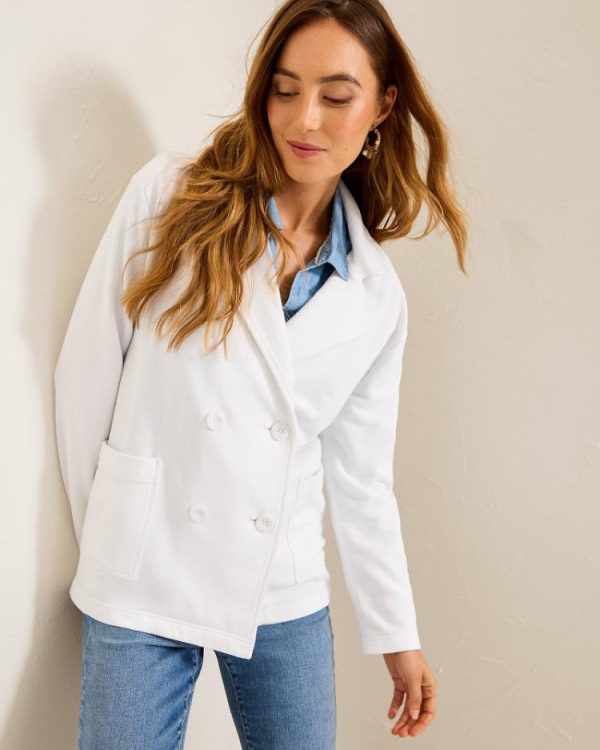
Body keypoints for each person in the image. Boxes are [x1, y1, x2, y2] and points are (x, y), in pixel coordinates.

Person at [54, 0, 467, 746]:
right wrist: (117, 536)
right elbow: (87, 374)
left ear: (382, 106)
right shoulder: (171, 195)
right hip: (141, 571)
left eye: (336, 97)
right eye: (285, 89)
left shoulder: (376, 296)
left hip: (281, 580)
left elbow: (363, 479)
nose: (304, 120)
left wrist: (396, 633)